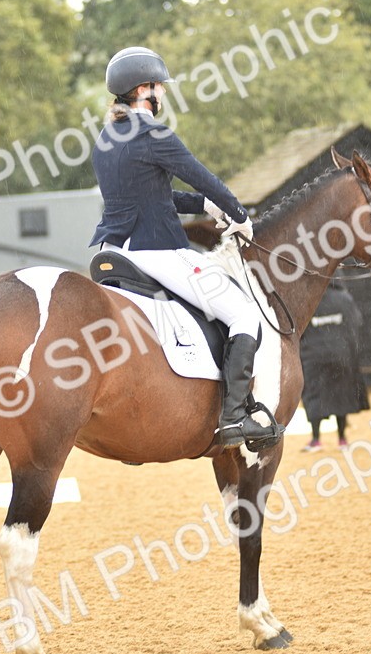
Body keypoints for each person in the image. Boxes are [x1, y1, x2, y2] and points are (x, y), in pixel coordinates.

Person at [90, 46, 280, 451]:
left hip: (111, 251)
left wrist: (204, 207)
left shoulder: (106, 139)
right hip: (157, 251)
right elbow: (203, 177)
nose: (162, 93)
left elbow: (153, 197)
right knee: (245, 315)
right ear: (144, 90)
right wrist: (239, 216)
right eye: (158, 86)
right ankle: (233, 418)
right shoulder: (154, 134)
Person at [298, 281, 370, 452]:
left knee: (314, 396)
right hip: (341, 356)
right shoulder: (345, 298)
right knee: (341, 396)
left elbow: (298, 329)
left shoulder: (308, 299)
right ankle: (342, 440)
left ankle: (316, 440)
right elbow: (356, 324)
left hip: (312, 357)